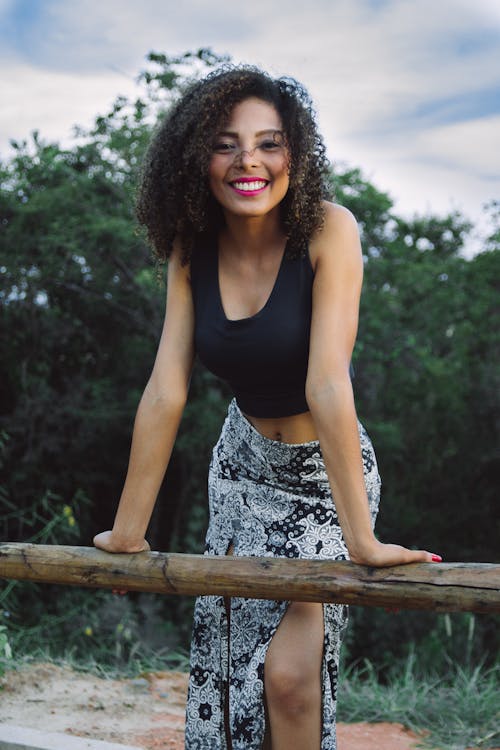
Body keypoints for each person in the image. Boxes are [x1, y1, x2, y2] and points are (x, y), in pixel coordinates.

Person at [94, 66, 441, 750]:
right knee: (231, 677)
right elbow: (167, 388)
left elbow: (327, 384)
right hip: (241, 470)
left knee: (288, 680)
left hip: (324, 479)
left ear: (296, 154)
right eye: (225, 143)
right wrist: (127, 532)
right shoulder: (191, 252)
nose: (248, 161)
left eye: (269, 142)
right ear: (197, 158)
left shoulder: (329, 231)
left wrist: (362, 538)